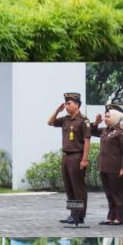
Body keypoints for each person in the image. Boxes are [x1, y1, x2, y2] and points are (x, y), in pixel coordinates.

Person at [49, 93, 90, 224]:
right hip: (66, 157)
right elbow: (50, 122)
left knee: (78, 187)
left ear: (77, 104)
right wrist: (57, 111)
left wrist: (84, 159)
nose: (66, 106)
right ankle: (74, 214)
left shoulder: (83, 120)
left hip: (77, 156)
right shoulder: (65, 119)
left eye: (69, 103)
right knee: (69, 187)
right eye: (66, 104)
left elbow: (87, 141)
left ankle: (79, 215)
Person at [91, 103, 123, 224]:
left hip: (115, 168)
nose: (105, 119)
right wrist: (96, 122)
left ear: (115, 117)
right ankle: (110, 216)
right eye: (105, 116)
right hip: (104, 167)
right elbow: (91, 132)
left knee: (117, 193)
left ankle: (119, 218)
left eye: (108, 116)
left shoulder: (120, 132)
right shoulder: (105, 130)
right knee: (109, 193)